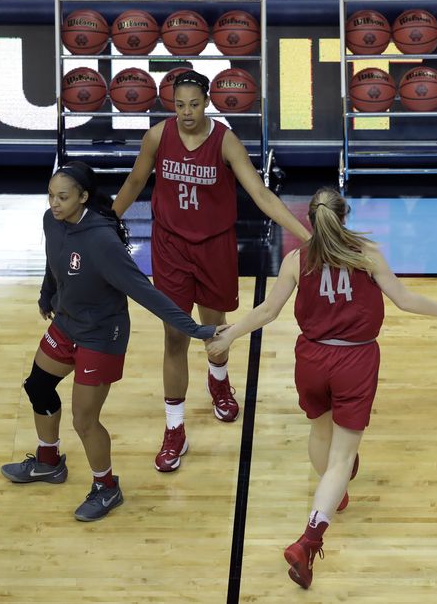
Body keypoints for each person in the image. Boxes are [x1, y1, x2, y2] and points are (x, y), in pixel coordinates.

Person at [206, 187, 437, 588]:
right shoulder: (365, 252)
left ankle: (332, 492)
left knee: (320, 430)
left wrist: (229, 335)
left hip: (312, 359)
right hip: (354, 360)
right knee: (343, 460)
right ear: (345, 215)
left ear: (311, 218)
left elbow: (268, 311)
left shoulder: (294, 258)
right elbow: (405, 300)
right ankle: (309, 539)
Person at [111, 70, 310, 473]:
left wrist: (308, 236)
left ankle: (218, 377)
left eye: (194, 104)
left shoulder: (225, 141)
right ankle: (174, 429)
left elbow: (260, 193)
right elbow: (135, 181)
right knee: (175, 337)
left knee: (216, 329)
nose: (186, 113)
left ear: (207, 103)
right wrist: (104, 223)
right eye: (179, 105)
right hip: (170, 246)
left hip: (216, 246)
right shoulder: (157, 137)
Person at [0, 162, 218, 522]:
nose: (54, 203)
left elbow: (145, 293)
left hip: (102, 334)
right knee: (39, 386)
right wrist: (46, 294)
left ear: (83, 198)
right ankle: (48, 461)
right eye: (51, 195)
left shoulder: (102, 241)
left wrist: (195, 330)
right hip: (68, 323)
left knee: (84, 420)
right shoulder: (50, 221)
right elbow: (52, 261)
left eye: (63, 197)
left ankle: (107, 487)